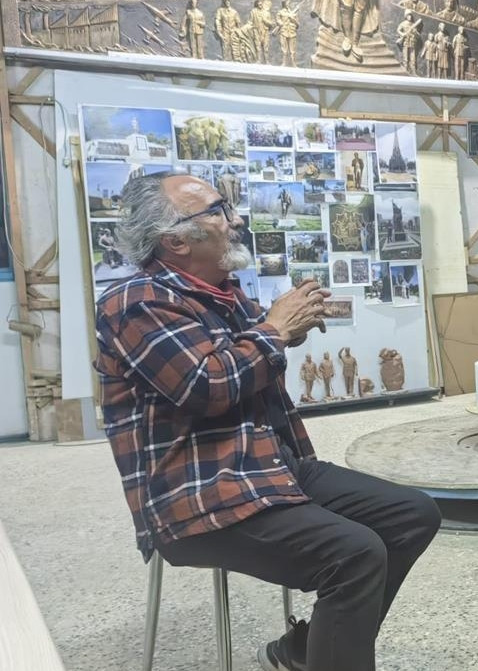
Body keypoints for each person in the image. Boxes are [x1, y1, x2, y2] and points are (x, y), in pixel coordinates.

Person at [95, 172, 440, 670]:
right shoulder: (135, 302)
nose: (234, 220)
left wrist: (290, 326)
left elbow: (249, 355)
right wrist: (275, 329)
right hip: (198, 492)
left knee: (413, 514)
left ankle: (302, 652)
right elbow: (207, 386)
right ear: (176, 240)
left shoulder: (223, 293)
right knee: (355, 553)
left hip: (269, 467)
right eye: (218, 210)